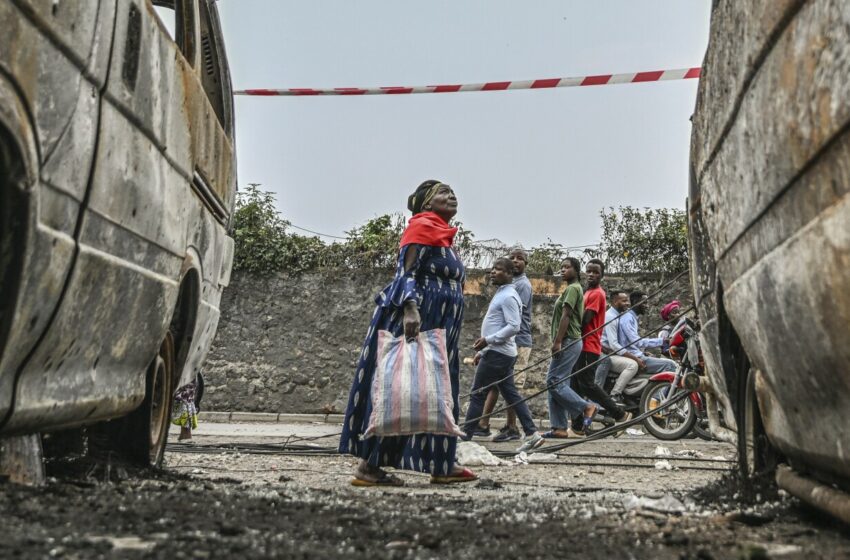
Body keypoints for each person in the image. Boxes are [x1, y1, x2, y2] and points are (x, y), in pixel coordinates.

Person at [339, 180, 477, 486]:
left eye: (453, 192)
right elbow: (405, 273)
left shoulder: (444, 237)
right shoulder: (421, 228)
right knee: (406, 389)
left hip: (443, 326)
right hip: (421, 319)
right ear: (427, 203)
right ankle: (369, 467)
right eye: (443, 192)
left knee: (436, 392)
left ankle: (442, 464)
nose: (452, 196)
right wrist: (410, 308)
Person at [462, 258, 544, 453]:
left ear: (509, 274)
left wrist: (488, 341)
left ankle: (465, 436)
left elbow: (514, 326)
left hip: (498, 354)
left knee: (477, 394)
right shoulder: (502, 293)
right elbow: (497, 324)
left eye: (498, 269)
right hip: (497, 352)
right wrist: (483, 350)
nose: (492, 272)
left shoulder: (508, 296)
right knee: (511, 394)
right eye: (492, 268)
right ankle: (533, 434)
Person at [570, 260, 631, 433]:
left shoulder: (597, 294)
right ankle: (578, 425)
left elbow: (585, 320)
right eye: (588, 271)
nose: (591, 274)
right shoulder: (586, 292)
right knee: (575, 385)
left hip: (589, 346)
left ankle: (619, 414)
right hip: (581, 345)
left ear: (601, 275)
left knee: (587, 385)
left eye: (595, 272)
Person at [480, 248, 534, 443]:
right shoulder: (507, 286)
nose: (516, 261)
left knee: (511, 386)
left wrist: (489, 340)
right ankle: (483, 424)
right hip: (506, 341)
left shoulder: (520, 286)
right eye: (512, 258)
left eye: (520, 259)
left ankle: (513, 426)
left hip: (517, 340)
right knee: (499, 384)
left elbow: (513, 322)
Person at [542, 258, 597, 439]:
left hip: (568, 341)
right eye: (562, 267)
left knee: (553, 382)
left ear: (576, 270)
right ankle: (558, 427)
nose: (563, 270)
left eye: (567, 267)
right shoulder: (571, 289)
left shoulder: (574, 289)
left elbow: (566, 316)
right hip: (569, 341)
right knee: (557, 383)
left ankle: (585, 407)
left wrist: (557, 342)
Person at [594, 290, 644, 403]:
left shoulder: (617, 316)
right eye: (624, 301)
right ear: (615, 302)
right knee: (632, 365)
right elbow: (614, 344)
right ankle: (615, 394)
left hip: (612, 352)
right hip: (607, 353)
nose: (628, 303)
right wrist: (634, 358)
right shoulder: (611, 317)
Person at [618, 291, 678, 374]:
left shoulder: (631, 317)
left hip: (636, 354)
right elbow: (637, 342)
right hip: (633, 357)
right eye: (645, 303)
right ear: (636, 302)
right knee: (670, 365)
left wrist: (643, 352)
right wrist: (662, 341)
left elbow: (631, 343)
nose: (647, 306)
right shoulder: (628, 318)